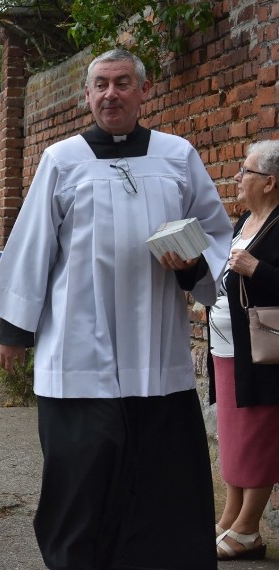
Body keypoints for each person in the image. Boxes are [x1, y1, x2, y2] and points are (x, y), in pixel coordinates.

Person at [0, 49, 233, 569]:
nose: (111, 94)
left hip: (155, 350)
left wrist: (190, 267)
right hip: (76, 350)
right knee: (81, 478)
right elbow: (31, 247)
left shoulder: (178, 155)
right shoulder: (61, 160)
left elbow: (214, 235)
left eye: (122, 83)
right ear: (88, 95)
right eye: (101, 85)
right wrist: (13, 331)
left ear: (143, 92)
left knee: (160, 482)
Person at [209, 140, 279, 561]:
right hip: (226, 346)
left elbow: (259, 278)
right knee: (233, 433)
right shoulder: (244, 222)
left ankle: (249, 529)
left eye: (246, 173)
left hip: (262, 350)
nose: (237, 179)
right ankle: (230, 515)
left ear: (269, 182)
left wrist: (257, 269)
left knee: (257, 436)